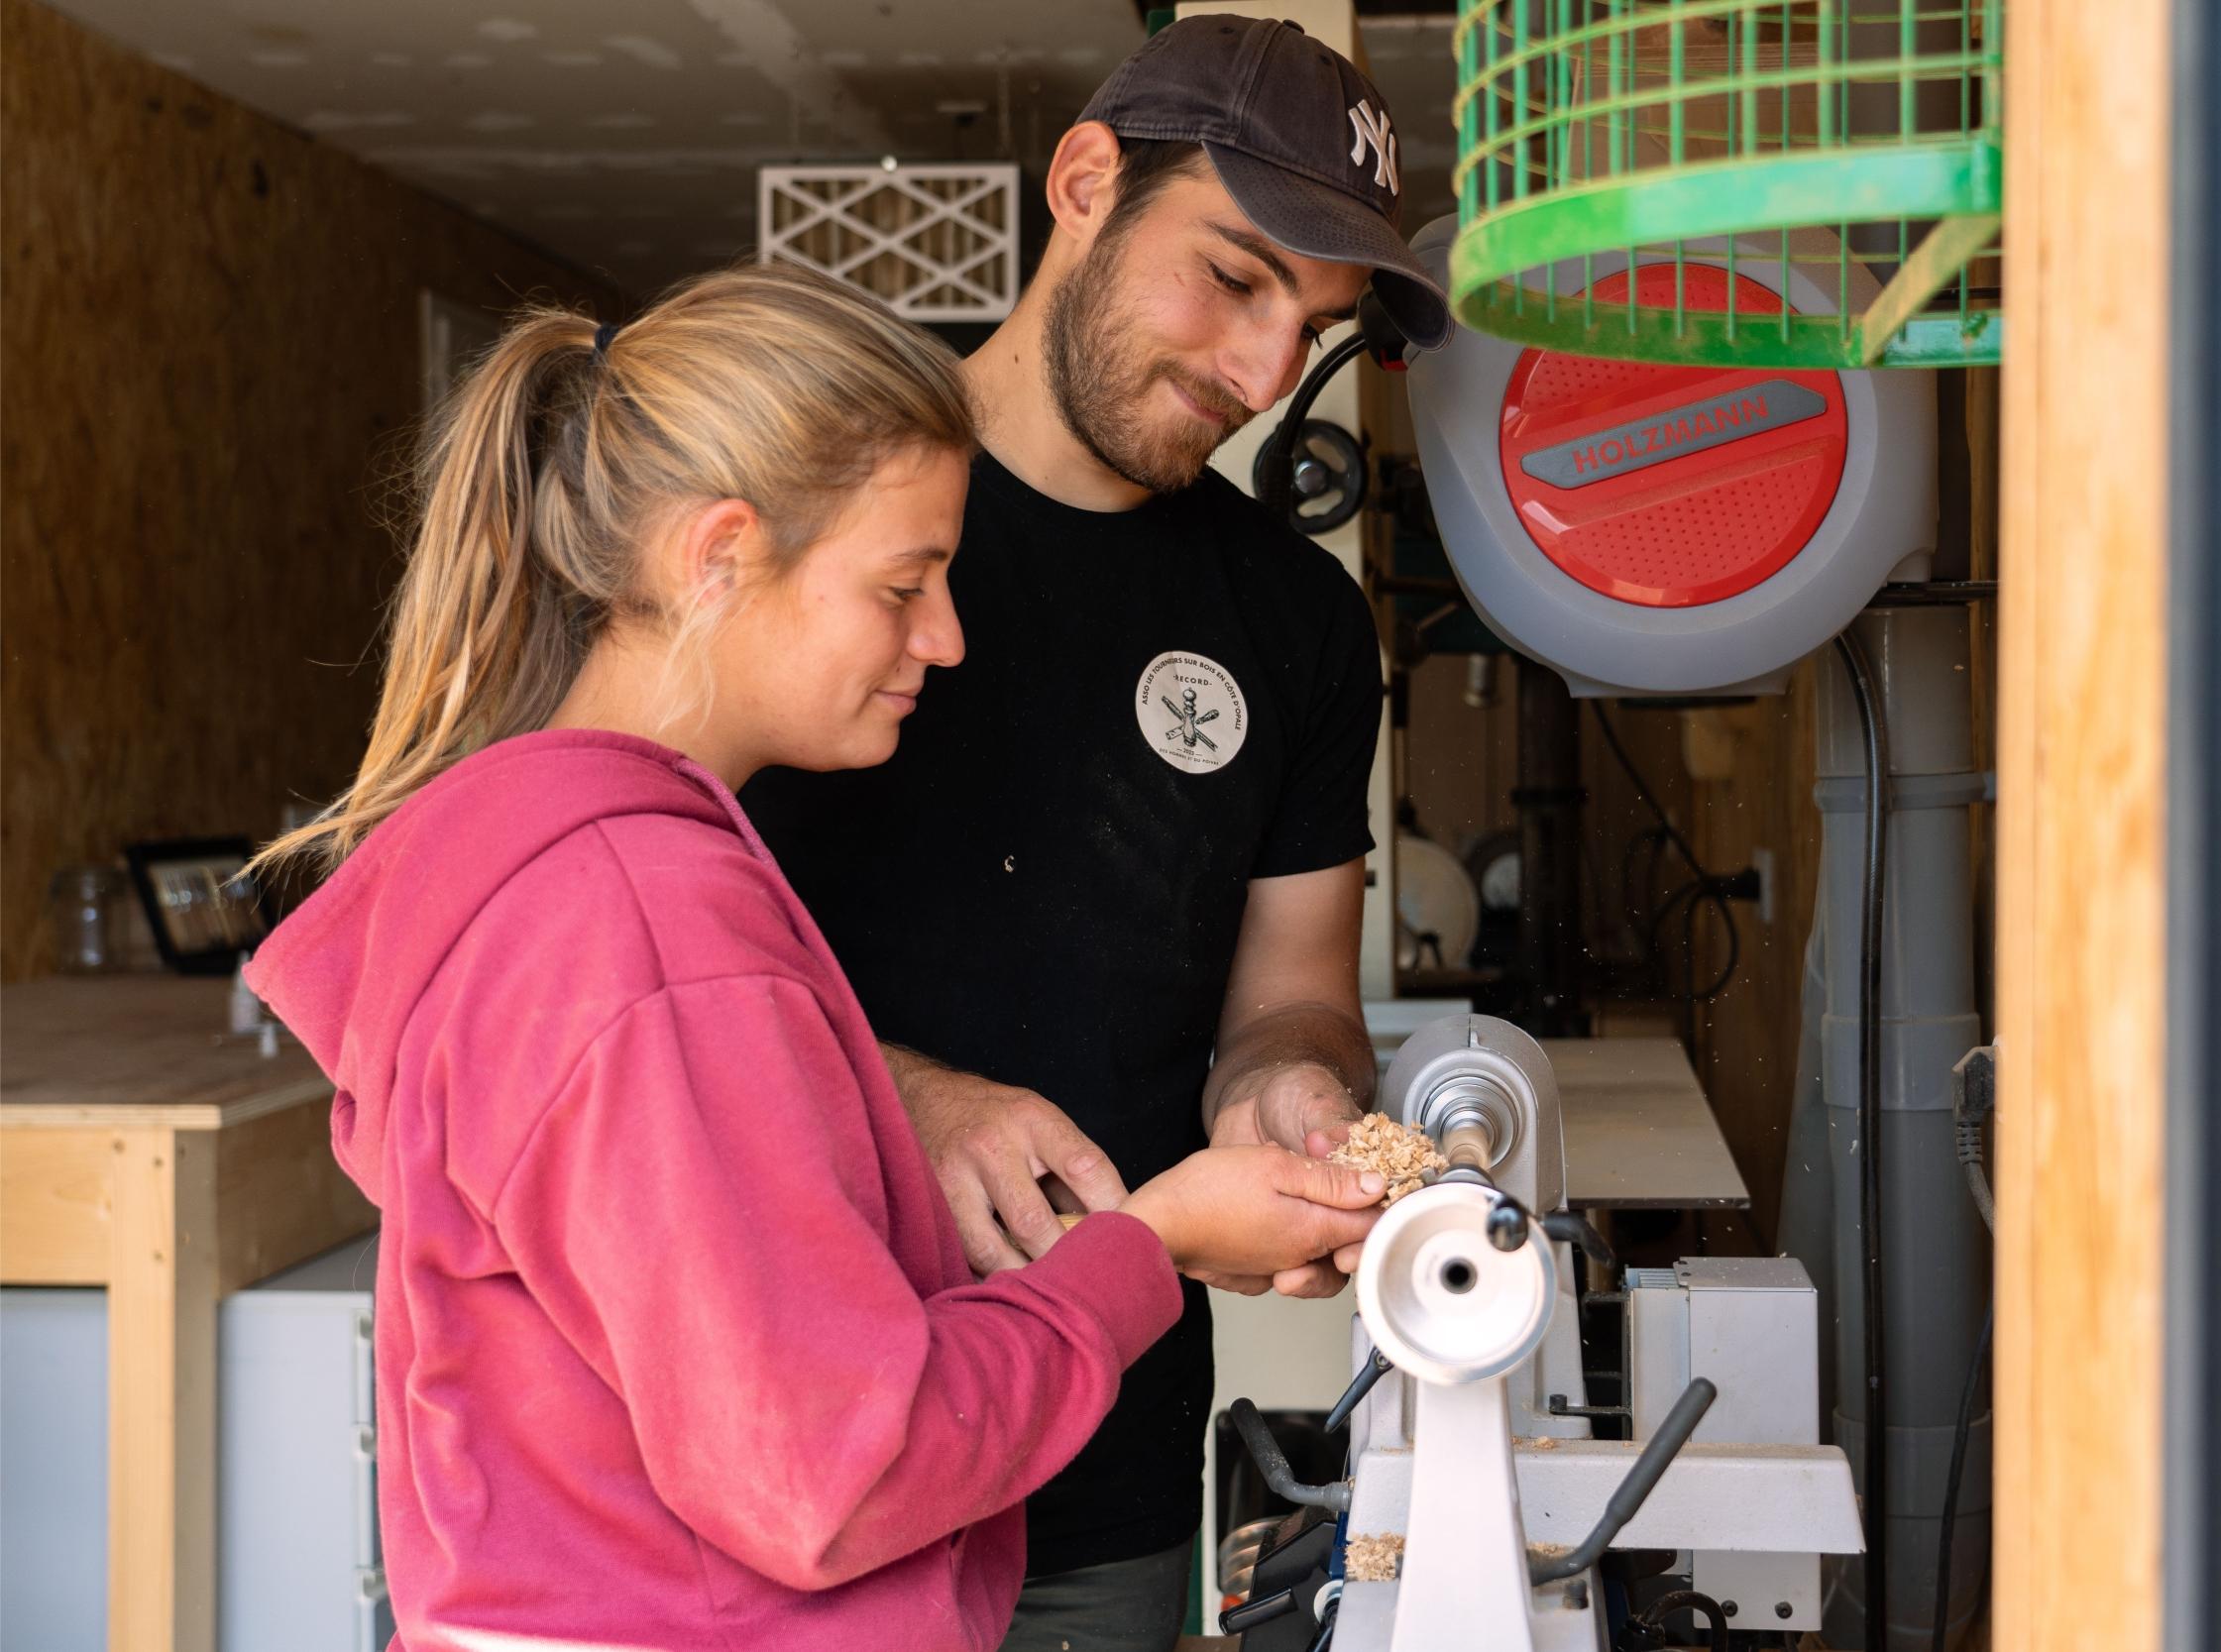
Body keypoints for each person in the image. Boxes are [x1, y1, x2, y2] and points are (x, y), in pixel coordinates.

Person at [241, 264, 1388, 1652]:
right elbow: (834, 1472)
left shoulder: (535, 869)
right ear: (717, 556)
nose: (946, 637)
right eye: (903, 584)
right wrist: (1156, 1242)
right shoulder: (651, 927)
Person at [737, 18, 1454, 1648]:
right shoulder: (804, 496)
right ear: (1083, 182)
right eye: (1233, 276)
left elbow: (1289, 988)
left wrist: (1289, 1090)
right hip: (779, 1444)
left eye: (1315, 327)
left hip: (1099, 1466)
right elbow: (611, 930)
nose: (1265, 376)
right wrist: (900, 1097)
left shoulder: (1296, 622)